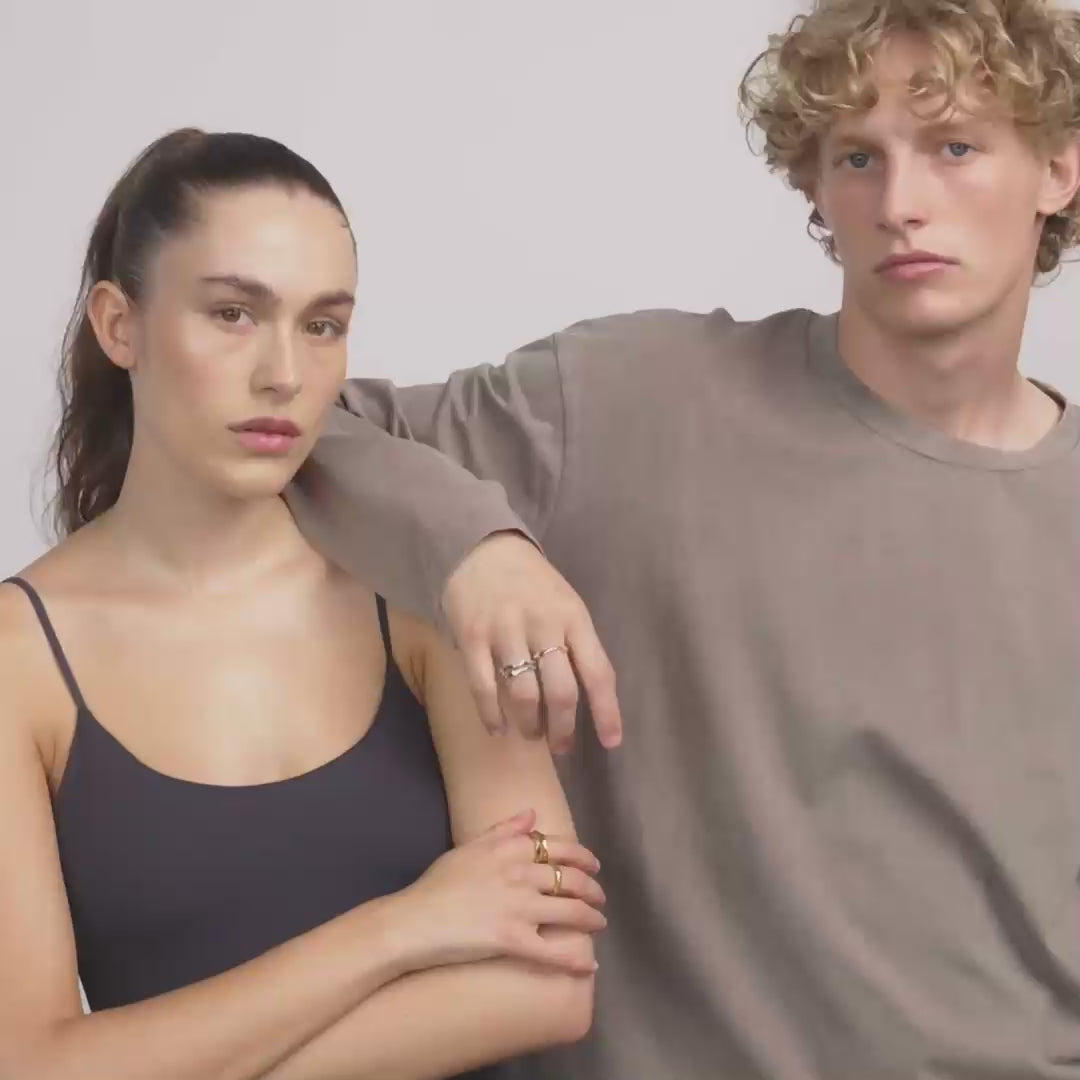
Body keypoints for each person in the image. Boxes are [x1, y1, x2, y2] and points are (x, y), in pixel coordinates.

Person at [284, 0, 1080, 1076]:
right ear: (816, 186)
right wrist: (477, 547)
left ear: (1057, 170)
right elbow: (300, 426)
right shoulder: (634, 402)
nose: (901, 203)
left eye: (954, 148)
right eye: (859, 156)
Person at [0, 128, 608, 1080]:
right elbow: (33, 1064)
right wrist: (398, 929)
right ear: (119, 325)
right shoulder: (18, 661)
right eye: (233, 314)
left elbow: (550, 984)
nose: (284, 372)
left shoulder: (424, 595)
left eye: (322, 325)